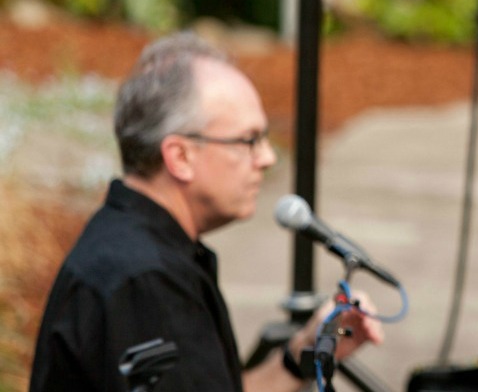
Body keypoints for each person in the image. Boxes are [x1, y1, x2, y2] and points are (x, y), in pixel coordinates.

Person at [30, 32, 384, 391]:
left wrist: (302, 355)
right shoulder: (142, 278)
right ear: (180, 156)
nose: (267, 158)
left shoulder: (145, 251)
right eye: (249, 140)